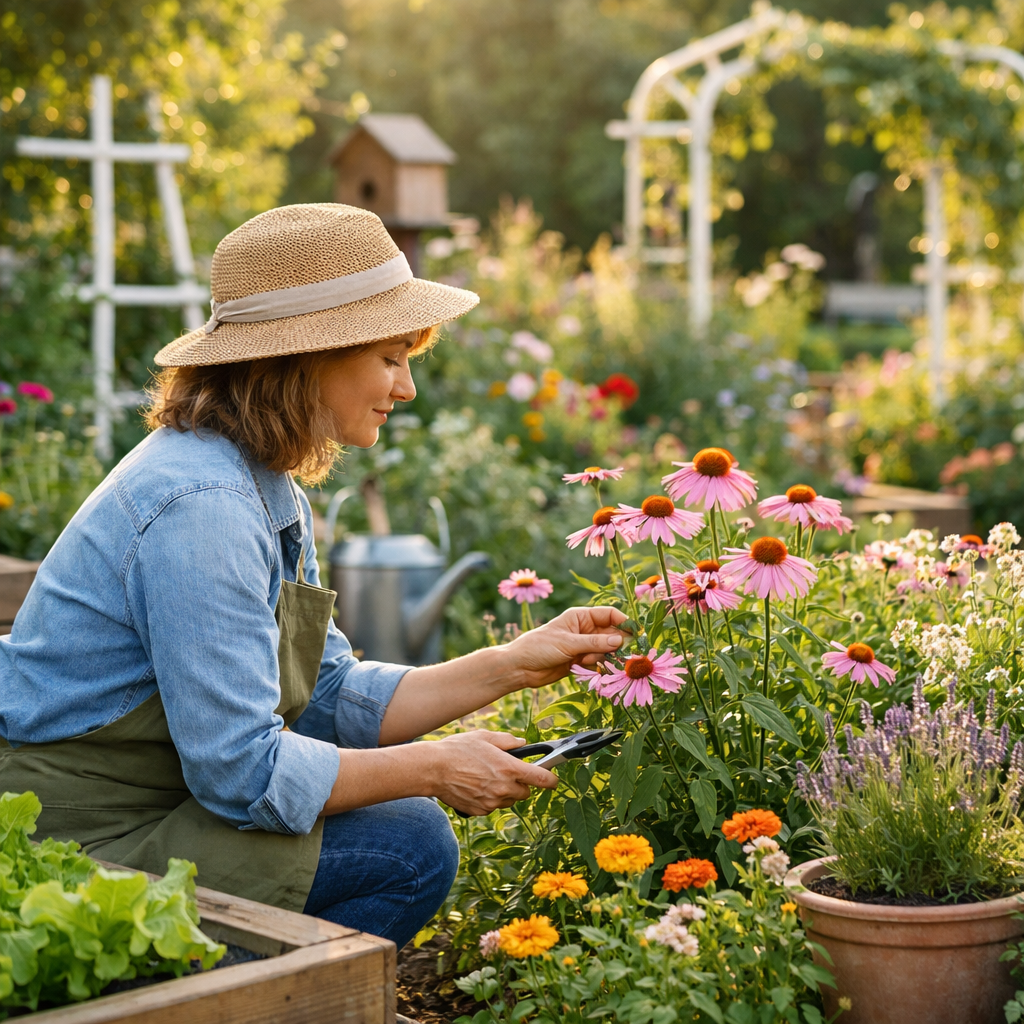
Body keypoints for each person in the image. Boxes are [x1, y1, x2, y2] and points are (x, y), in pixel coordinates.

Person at [0, 204, 626, 949]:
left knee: (402, 827)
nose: (406, 389)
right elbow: (241, 774)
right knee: (406, 844)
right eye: (392, 358)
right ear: (306, 359)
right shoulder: (202, 507)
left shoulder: (257, 483)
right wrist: (433, 768)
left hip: (156, 809)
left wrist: (512, 665)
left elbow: (329, 695)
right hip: (69, 851)